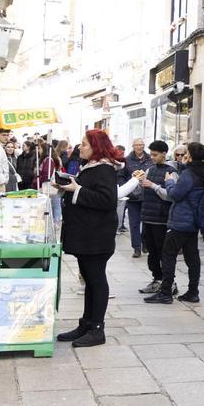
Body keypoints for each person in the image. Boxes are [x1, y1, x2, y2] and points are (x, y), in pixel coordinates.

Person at [55, 129, 125, 347]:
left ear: (96, 146)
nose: (80, 147)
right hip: (87, 234)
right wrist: (69, 187)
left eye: (84, 144)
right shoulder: (91, 166)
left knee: (96, 280)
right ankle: (86, 323)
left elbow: (106, 200)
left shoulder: (104, 168)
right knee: (89, 280)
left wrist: (77, 189)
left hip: (96, 236)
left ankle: (97, 329)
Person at [145, 142, 204, 305]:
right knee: (192, 257)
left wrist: (169, 182)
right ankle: (192, 291)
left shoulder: (189, 175)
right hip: (193, 221)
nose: (182, 156)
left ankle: (166, 292)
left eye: (185, 153)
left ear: (191, 156)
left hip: (181, 220)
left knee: (168, 255)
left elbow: (175, 194)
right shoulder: (203, 172)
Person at [137, 140, 179, 296]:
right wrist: (141, 182)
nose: (152, 157)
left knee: (164, 253)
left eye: (155, 155)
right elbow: (146, 189)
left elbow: (171, 195)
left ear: (164, 154)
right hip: (148, 216)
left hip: (162, 219)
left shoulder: (171, 172)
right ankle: (157, 279)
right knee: (152, 253)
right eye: (151, 154)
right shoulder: (149, 170)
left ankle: (169, 282)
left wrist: (153, 186)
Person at [119, 139, 150, 258]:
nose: (139, 147)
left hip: (147, 195)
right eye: (137, 145)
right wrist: (127, 185)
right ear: (133, 146)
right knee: (134, 223)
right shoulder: (127, 160)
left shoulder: (149, 159)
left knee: (147, 223)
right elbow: (121, 176)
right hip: (133, 197)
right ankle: (136, 247)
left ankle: (145, 243)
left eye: (141, 144)